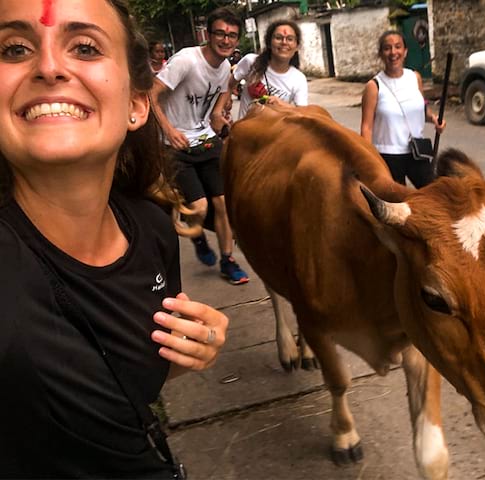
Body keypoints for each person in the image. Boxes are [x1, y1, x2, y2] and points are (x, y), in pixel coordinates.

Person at [0, 0, 228, 477]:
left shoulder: (150, 229)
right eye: (14, 48)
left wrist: (185, 351)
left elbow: (123, 378)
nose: (47, 66)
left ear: (135, 104)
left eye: (84, 47)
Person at [150, 7, 249, 285]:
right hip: (174, 144)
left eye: (232, 35)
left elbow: (217, 107)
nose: (226, 40)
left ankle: (228, 261)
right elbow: (151, 94)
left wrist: (222, 119)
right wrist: (168, 130)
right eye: (220, 33)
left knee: (224, 203)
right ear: (208, 33)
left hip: (204, 140)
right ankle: (196, 235)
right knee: (201, 207)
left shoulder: (223, 71)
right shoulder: (187, 60)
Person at [360, 30, 446, 188]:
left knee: (434, 196)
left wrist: (434, 119)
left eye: (398, 47)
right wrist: (368, 160)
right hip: (387, 156)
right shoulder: (373, 86)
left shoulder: (415, 77)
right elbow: (366, 127)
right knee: (397, 207)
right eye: (387, 48)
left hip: (417, 151)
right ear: (381, 54)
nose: (393, 52)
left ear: (405, 51)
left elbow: (422, 109)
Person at [226, 19, 308, 120]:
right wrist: (222, 108)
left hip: (276, 135)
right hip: (244, 133)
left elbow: (302, 114)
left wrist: (282, 104)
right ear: (269, 43)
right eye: (278, 38)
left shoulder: (299, 79)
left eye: (290, 39)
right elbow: (228, 85)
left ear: (297, 46)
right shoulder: (250, 62)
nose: (284, 42)